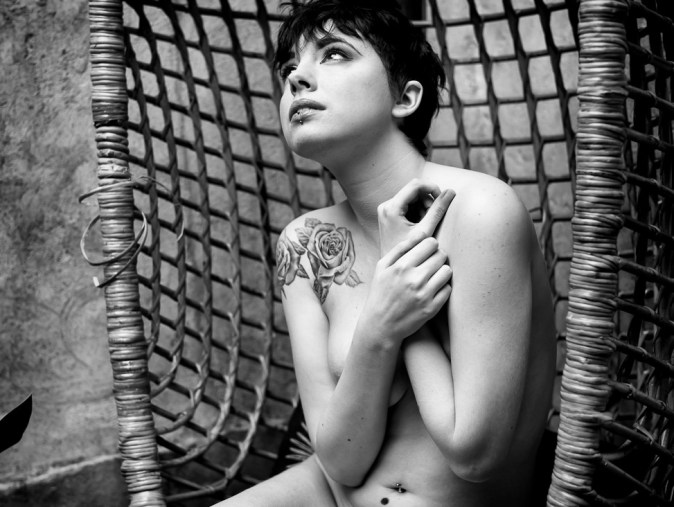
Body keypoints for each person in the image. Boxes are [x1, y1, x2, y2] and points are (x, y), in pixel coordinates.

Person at [217, 1, 556, 505]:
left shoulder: (482, 210)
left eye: (333, 54)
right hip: (329, 493)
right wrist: (380, 325)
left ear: (405, 97)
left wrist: (405, 303)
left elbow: (475, 456)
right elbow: (339, 462)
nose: (296, 79)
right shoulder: (303, 244)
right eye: (289, 67)